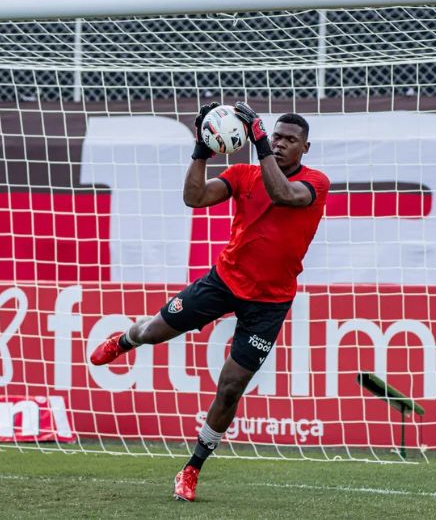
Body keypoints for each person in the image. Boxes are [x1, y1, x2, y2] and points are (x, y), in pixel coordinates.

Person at [89, 101, 330, 502]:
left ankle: (192, 468)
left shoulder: (316, 183)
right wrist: (201, 148)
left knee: (232, 386)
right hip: (224, 281)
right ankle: (125, 341)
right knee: (153, 331)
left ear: (306, 148)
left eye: (292, 140)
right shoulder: (242, 173)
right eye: (277, 137)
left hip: (269, 302)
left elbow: (283, 194)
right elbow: (194, 197)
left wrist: (259, 144)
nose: (282, 144)